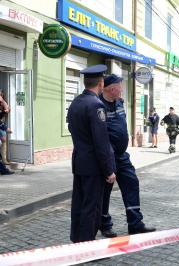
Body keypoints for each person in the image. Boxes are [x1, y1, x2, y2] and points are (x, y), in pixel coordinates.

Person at [98, 74, 156, 237]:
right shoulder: (98, 106)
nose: (122, 89)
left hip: (122, 156)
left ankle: (135, 223)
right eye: (120, 86)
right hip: (108, 157)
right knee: (105, 191)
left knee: (132, 182)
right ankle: (104, 224)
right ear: (112, 89)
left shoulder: (119, 103)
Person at [67, 64, 116, 243]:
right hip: (94, 165)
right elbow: (101, 143)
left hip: (79, 162)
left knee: (79, 205)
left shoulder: (76, 102)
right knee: (92, 206)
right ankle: (87, 246)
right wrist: (109, 170)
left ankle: (76, 240)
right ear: (101, 83)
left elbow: (73, 130)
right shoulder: (96, 106)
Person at [0, 90, 10, 165]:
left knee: (3, 139)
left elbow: (8, 109)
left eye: (1, 95)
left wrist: (3, 101)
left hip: (1, 124)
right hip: (1, 125)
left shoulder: (2, 102)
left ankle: (4, 159)